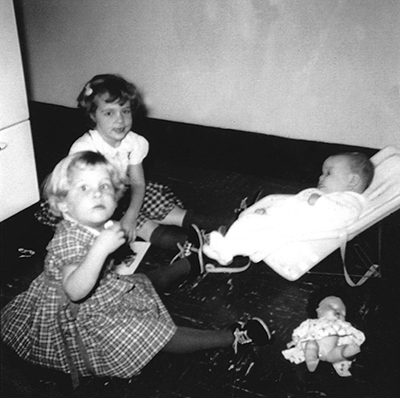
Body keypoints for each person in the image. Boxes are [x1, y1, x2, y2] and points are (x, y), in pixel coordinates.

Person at [1, 151, 272, 388]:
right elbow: (74, 291)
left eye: (104, 186)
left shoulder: (91, 224)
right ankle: (232, 337)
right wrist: (100, 250)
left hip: (103, 291)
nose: (97, 193)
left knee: (139, 283)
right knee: (155, 334)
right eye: (84, 188)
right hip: (83, 317)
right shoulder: (69, 240)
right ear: (62, 204)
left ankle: (192, 264)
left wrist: (105, 244)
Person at [35, 73, 234, 249]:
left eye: (126, 111)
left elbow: (138, 183)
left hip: (123, 190)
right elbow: (82, 196)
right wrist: (129, 218)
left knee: (162, 205)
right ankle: (199, 249)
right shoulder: (84, 149)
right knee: (141, 225)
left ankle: (232, 223)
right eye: (109, 113)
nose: (120, 120)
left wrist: (131, 211)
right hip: (93, 199)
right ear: (92, 115)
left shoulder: (134, 142)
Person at [202, 152, 375, 265]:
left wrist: (319, 202)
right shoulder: (328, 193)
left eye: (328, 173)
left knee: (264, 235)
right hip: (282, 218)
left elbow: (342, 217)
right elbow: (293, 204)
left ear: (352, 181)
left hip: (294, 231)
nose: (321, 177)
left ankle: (229, 250)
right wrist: (272, 210)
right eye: (322, 173)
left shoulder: (351, 202)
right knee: (248, 220)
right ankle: (226, 246)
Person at [281, 296, 365, 377]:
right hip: (314, 345)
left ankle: (344, 353)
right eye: (332, 307)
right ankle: (311, 360)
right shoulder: (311, 322)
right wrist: (295, 341)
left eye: (342, 312)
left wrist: (350, 345)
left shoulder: (342, 325)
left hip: (331, 353)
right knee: (310, 344)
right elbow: (300, 331)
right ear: (319, 310)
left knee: (339, 351)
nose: (338, 311)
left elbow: (351, 334)